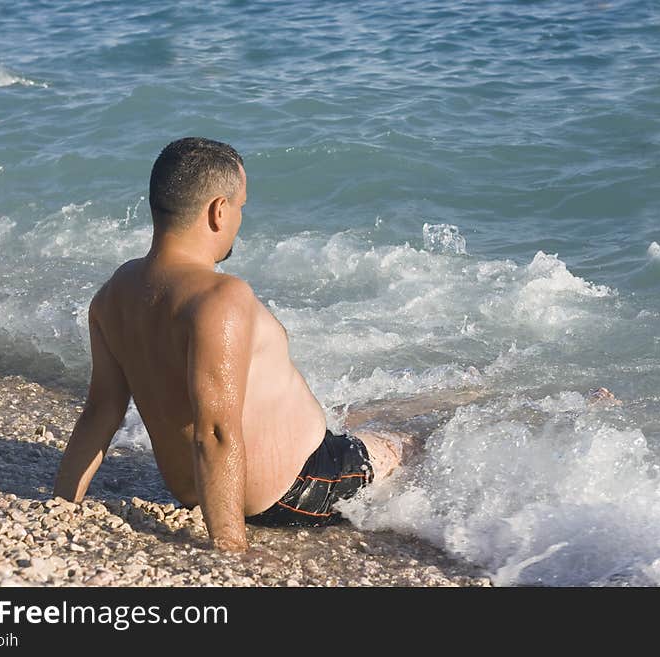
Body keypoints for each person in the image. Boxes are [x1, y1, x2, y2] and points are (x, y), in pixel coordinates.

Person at [53, 137, 408, 552]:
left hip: (197, 491)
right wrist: (229, 545)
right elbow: (216, 430)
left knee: (367, 416)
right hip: (299, 490)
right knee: (408, 443)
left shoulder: (114, 293)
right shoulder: (221, 298)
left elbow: (101, 410)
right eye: (241, 207)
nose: (240, 218)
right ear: (218, 211)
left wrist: (62, 503)